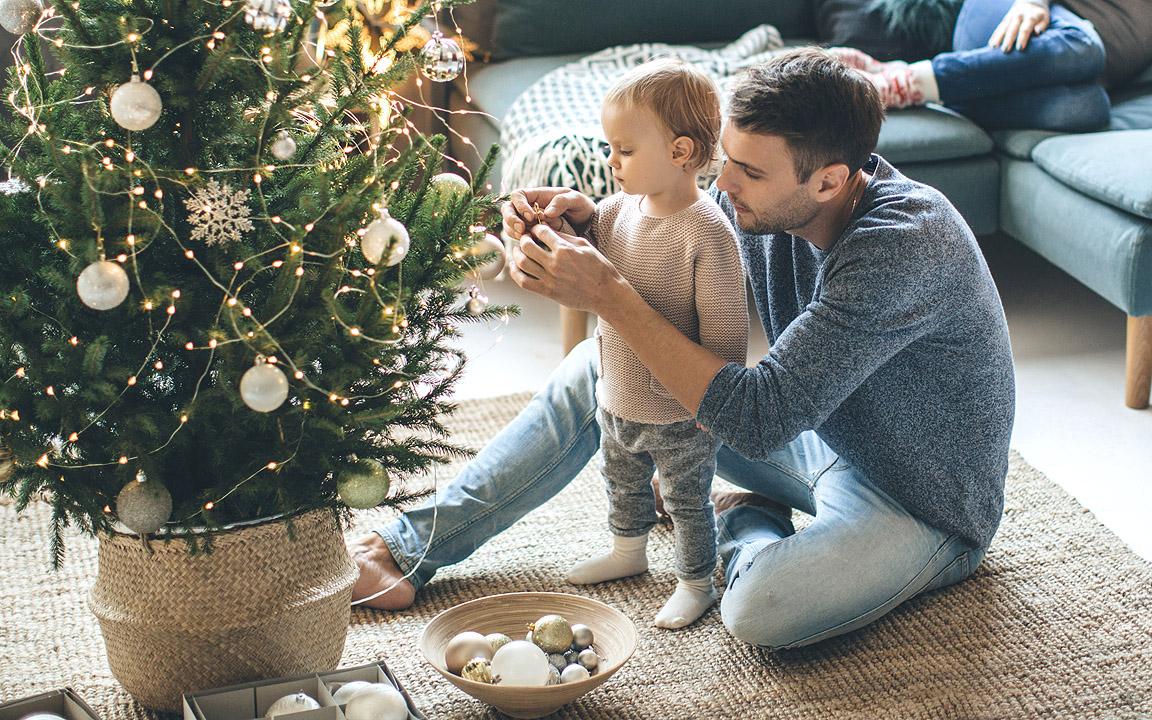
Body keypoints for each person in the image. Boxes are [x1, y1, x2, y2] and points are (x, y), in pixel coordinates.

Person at [350, 48, 1016, 649]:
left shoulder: (903, 246)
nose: (724, 184)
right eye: (726, 159)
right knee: (599, 367)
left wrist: (607, 294)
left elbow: (759, 417)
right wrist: (592, 218)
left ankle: (746, 518)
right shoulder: (767, 197)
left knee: (760, 611)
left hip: (919, 502)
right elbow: (683, 227)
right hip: (820, 436)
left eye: (747, 173)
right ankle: (408, 548)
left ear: (830, 181)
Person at [503, 58, 749, 629]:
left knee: (688, 503)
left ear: (681, 153)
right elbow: (587, 259)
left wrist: (708, 412)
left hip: (679, 413)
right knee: (622, 481)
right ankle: (627, 549)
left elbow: (727, 346)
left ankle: (695, 580)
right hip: (616, 397)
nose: (611, 163)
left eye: (624, 151)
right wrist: (552, 227)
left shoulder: (709, 234)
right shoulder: (617, 211)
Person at [833, 0, 1152, 131]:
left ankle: (913, 79)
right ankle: (906, 84)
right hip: (1009, 16)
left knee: (1089, 109)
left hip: (1062, 74)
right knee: (1085, 47)